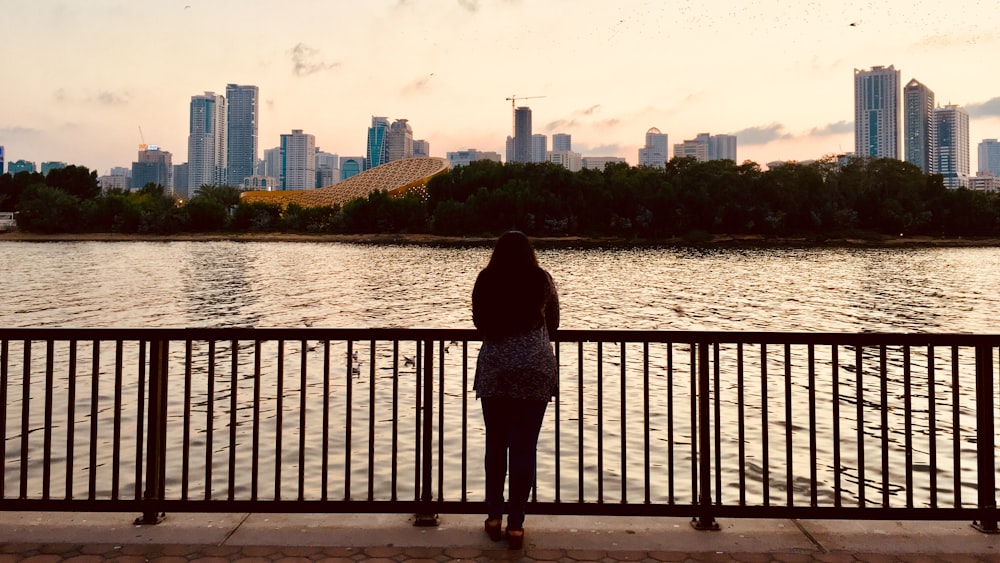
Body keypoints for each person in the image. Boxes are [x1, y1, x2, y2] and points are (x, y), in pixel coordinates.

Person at [472, 231, 559, 550]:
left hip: (496, 370)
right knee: (525, 447)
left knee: (496, 445)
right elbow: (555, 323)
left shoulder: (486, 278)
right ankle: (517, 525)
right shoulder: (541, 279)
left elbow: (479, 322)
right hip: (535, 370)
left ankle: (493, 518)